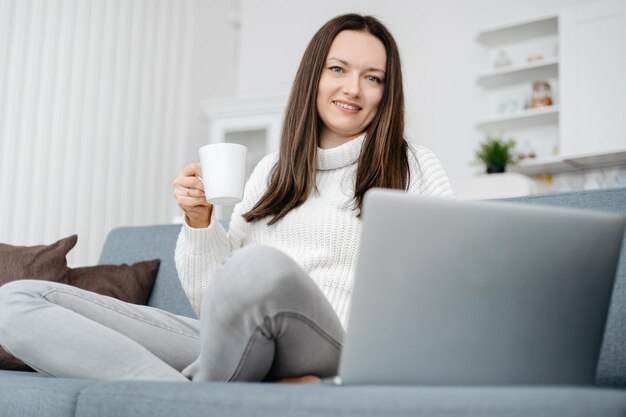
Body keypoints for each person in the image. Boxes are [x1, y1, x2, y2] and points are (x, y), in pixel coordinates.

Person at [0, 13, 453, 383]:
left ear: (385, 94)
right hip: (234, 344)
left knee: (260, 267)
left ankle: (214, 390)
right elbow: (214, 302)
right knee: (16, 301)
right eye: (337, 69)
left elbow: (445, 290)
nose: (352, 88)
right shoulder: (271, 172)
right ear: (312, 76)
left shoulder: (413, 165)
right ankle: (179, 400)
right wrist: (199, 222)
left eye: (372, 78)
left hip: (339, 349)